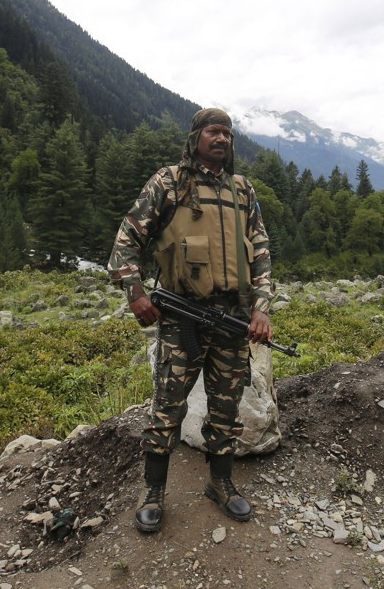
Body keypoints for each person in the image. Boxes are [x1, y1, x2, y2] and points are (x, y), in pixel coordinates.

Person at [108, 107, 274, 534]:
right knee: (167, 407)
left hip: (234, 317)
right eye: (214, 132)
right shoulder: (169, 182)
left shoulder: (242, 190)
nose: (222, 140)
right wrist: (136, 294)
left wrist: (261, 308)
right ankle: (153, 493)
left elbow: (260, 251)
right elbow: (126, 243)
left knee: (226, 406)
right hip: (182, 316)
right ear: (196, 136)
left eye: (228, 134)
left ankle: (221, 484)